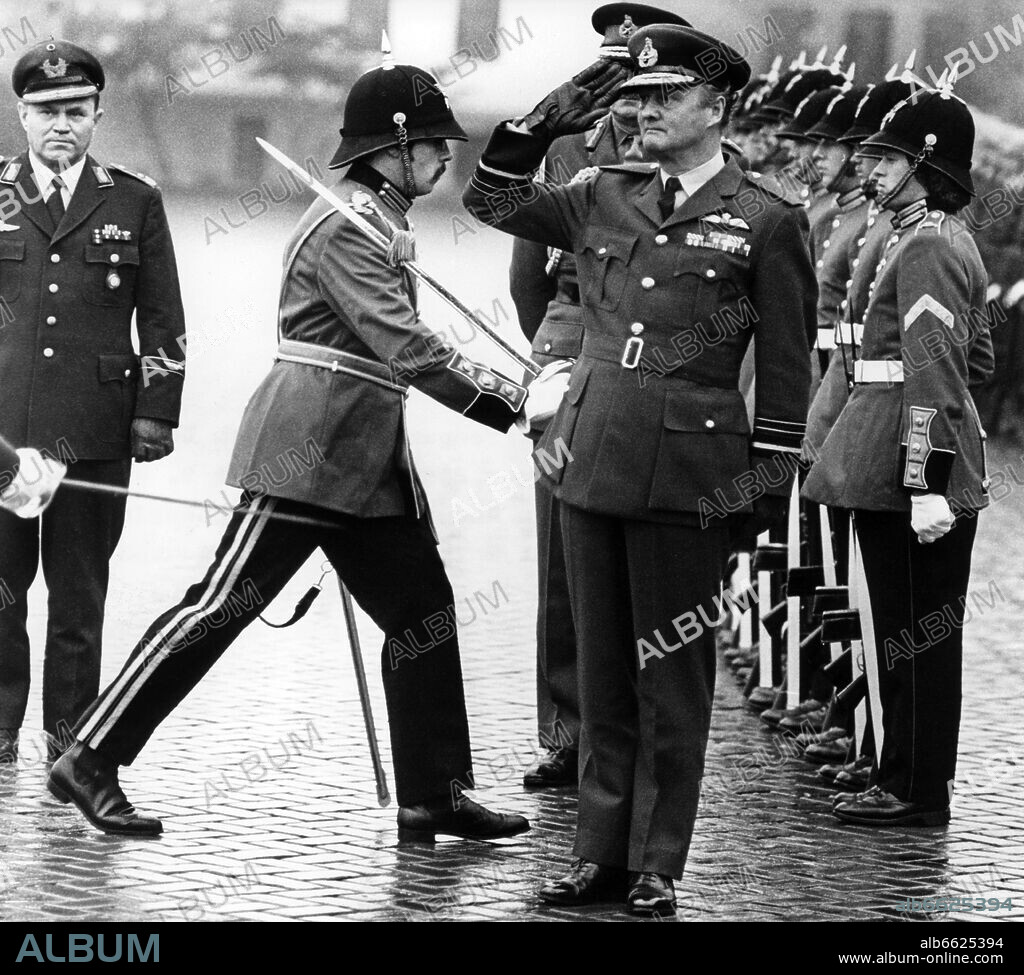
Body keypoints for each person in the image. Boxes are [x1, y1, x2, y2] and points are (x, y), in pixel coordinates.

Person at [48, 48, 567, 839]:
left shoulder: (376, 218)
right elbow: (408, 346)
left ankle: (435, 791)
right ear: (390, 149)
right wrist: (516, 401)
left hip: (364, 459)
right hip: (312, 448)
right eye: (432, 142)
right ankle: (89, 753)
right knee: (220, 608)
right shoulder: (348, 225)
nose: (444, 154)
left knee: (422, 612)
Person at [464, 23, 815, 913]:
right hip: (590, 459)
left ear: (715, 106)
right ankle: (598, 854)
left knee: (674, 673)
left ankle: (657, 861)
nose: (643, 111)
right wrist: (533, 129)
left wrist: (764, 489)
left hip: (688, 476)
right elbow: (492, 203)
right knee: (602, 672)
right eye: (635, 96)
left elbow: (785, 367)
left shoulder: (768, 218)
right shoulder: (600, 195)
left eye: (664, 97)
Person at [508, 1, 690, 791]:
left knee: (645, 549)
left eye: (642, 78)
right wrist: (554, 353)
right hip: (572, 337)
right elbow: (527, 269)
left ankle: (642, 725)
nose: (628, 96)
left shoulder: (686, 153)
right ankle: (567, 730)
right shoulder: (564, 153)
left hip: (657, 356)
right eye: (615, 74)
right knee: (561, 556)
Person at [803, 76, 990, 826]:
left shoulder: (929, 245)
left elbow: (938, 371)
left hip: (912, 462)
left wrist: (927, 479)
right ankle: (898, 769)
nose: (872, 170)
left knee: (916, 636)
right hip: (889, 446)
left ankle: (916, 789)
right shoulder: (921, 237)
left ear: (928, 165)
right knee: (897, 632)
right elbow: (972, 365)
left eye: (890, 159)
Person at [0, 40, 186, 764]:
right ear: (21, 115)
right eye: (46, 111)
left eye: (75, 111)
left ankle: (69, 734)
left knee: (81, 592)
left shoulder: (134, 200)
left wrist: (155, 412)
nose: (60, 125)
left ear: (97, 115)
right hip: (6, 431)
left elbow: (165, 319)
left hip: (95, 428)